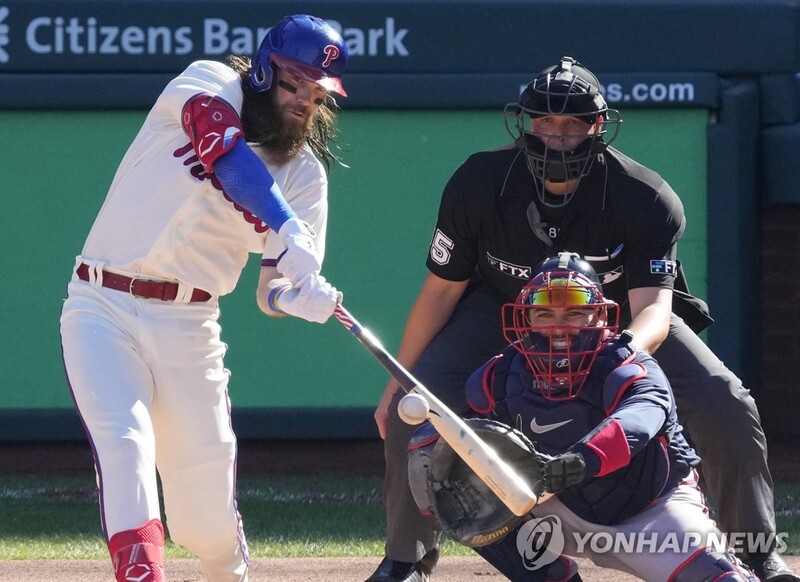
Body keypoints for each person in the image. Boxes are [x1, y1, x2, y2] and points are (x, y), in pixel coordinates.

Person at [367, 56, 797, 582]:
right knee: (413, 407)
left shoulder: (645, 195)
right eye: (546, 121)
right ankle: (406, 559)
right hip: (507, 309)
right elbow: (440, 292)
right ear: (525, 123)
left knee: (723, 400)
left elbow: (654, 308)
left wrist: (618, 355)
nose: (557, 135)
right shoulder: (478, 182)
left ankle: (757, 552)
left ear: (598, 126)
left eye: (572, 123)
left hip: (615, 318)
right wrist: (399, 381)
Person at [59, 14, 348, 582]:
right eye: (295, 83)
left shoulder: (305, 176)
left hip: (189, 325)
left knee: (204, 519)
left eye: (317, 93)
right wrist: (288, 227)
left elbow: (272, 290)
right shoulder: (208, 83)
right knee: (125, 442)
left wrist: (298, 298)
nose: (305, 101)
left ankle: (229, 567)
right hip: (101, 304)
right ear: (263, 71)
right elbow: (225, 154)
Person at [407, 252, 759, 581]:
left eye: (574, 312)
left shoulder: (628, 365)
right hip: (556, 510)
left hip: (650, 511)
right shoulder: (498, 377)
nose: (558, 326)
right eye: (545, 314)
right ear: (527, 319)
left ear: (599, 316)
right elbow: (458, 436)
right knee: (429, 456)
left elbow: (638, 421)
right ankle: (550, 576)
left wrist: (582, 459)